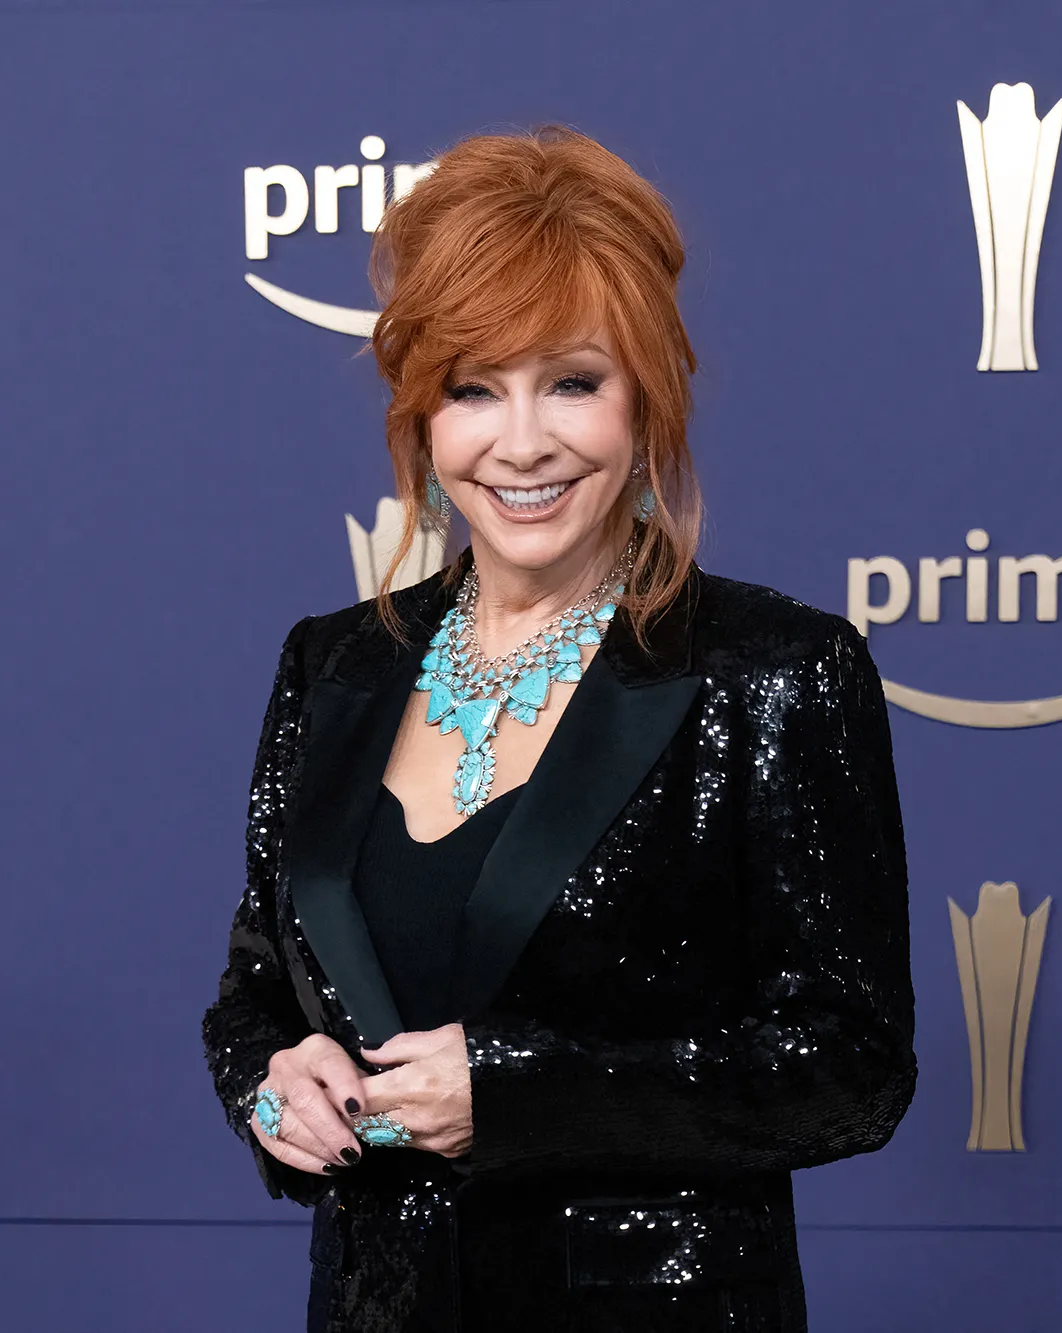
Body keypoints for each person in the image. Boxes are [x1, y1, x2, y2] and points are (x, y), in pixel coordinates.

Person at [201, 125, 915, 1332]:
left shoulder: (772, 673)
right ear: (420, 417)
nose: (520, 442)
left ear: (646, 398)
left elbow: (849, 1069)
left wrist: (523, 1093)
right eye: (471, 388)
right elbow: (259, 994)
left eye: (571, 381)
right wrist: (273, 1090)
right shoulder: (334, 664)